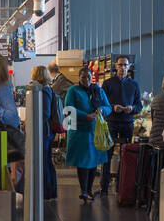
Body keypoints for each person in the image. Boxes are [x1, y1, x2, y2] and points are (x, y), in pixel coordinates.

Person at [64, 65, 112, 203]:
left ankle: (89, 190)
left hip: (95, 131)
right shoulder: (73, 90)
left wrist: (102, 110)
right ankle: (83, 190)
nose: (86, 79)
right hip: (79, 131)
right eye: (83, 77)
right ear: (79, 78)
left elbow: (108, 107)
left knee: (93, 161)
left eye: (89, 77)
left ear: (92, 77)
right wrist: (85, 116)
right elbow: (68, 109)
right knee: (83, 161)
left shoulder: (98, 90)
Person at [99, 55, 141, 195]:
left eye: (125, 65)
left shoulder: (134, 85)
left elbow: (139, 106)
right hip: (111, 122)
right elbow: (101, 104)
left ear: (129, 67)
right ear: (115, 66)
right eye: (120, 65)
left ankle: (121, 186)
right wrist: (112, 107)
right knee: (107, 155)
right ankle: (104, 186)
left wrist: (132, 108)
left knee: (126, 156)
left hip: (127, 123)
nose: (122, 67)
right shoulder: (108, 83)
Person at [31, 65, 60, 201]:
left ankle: (47, 193)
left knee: (44, 161)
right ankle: (51, 192)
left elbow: (44, 113)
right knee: (46, 161)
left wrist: (31, 122)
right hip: (47, 131)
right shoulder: (47, 89)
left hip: (44, 131)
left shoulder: (45, 91)